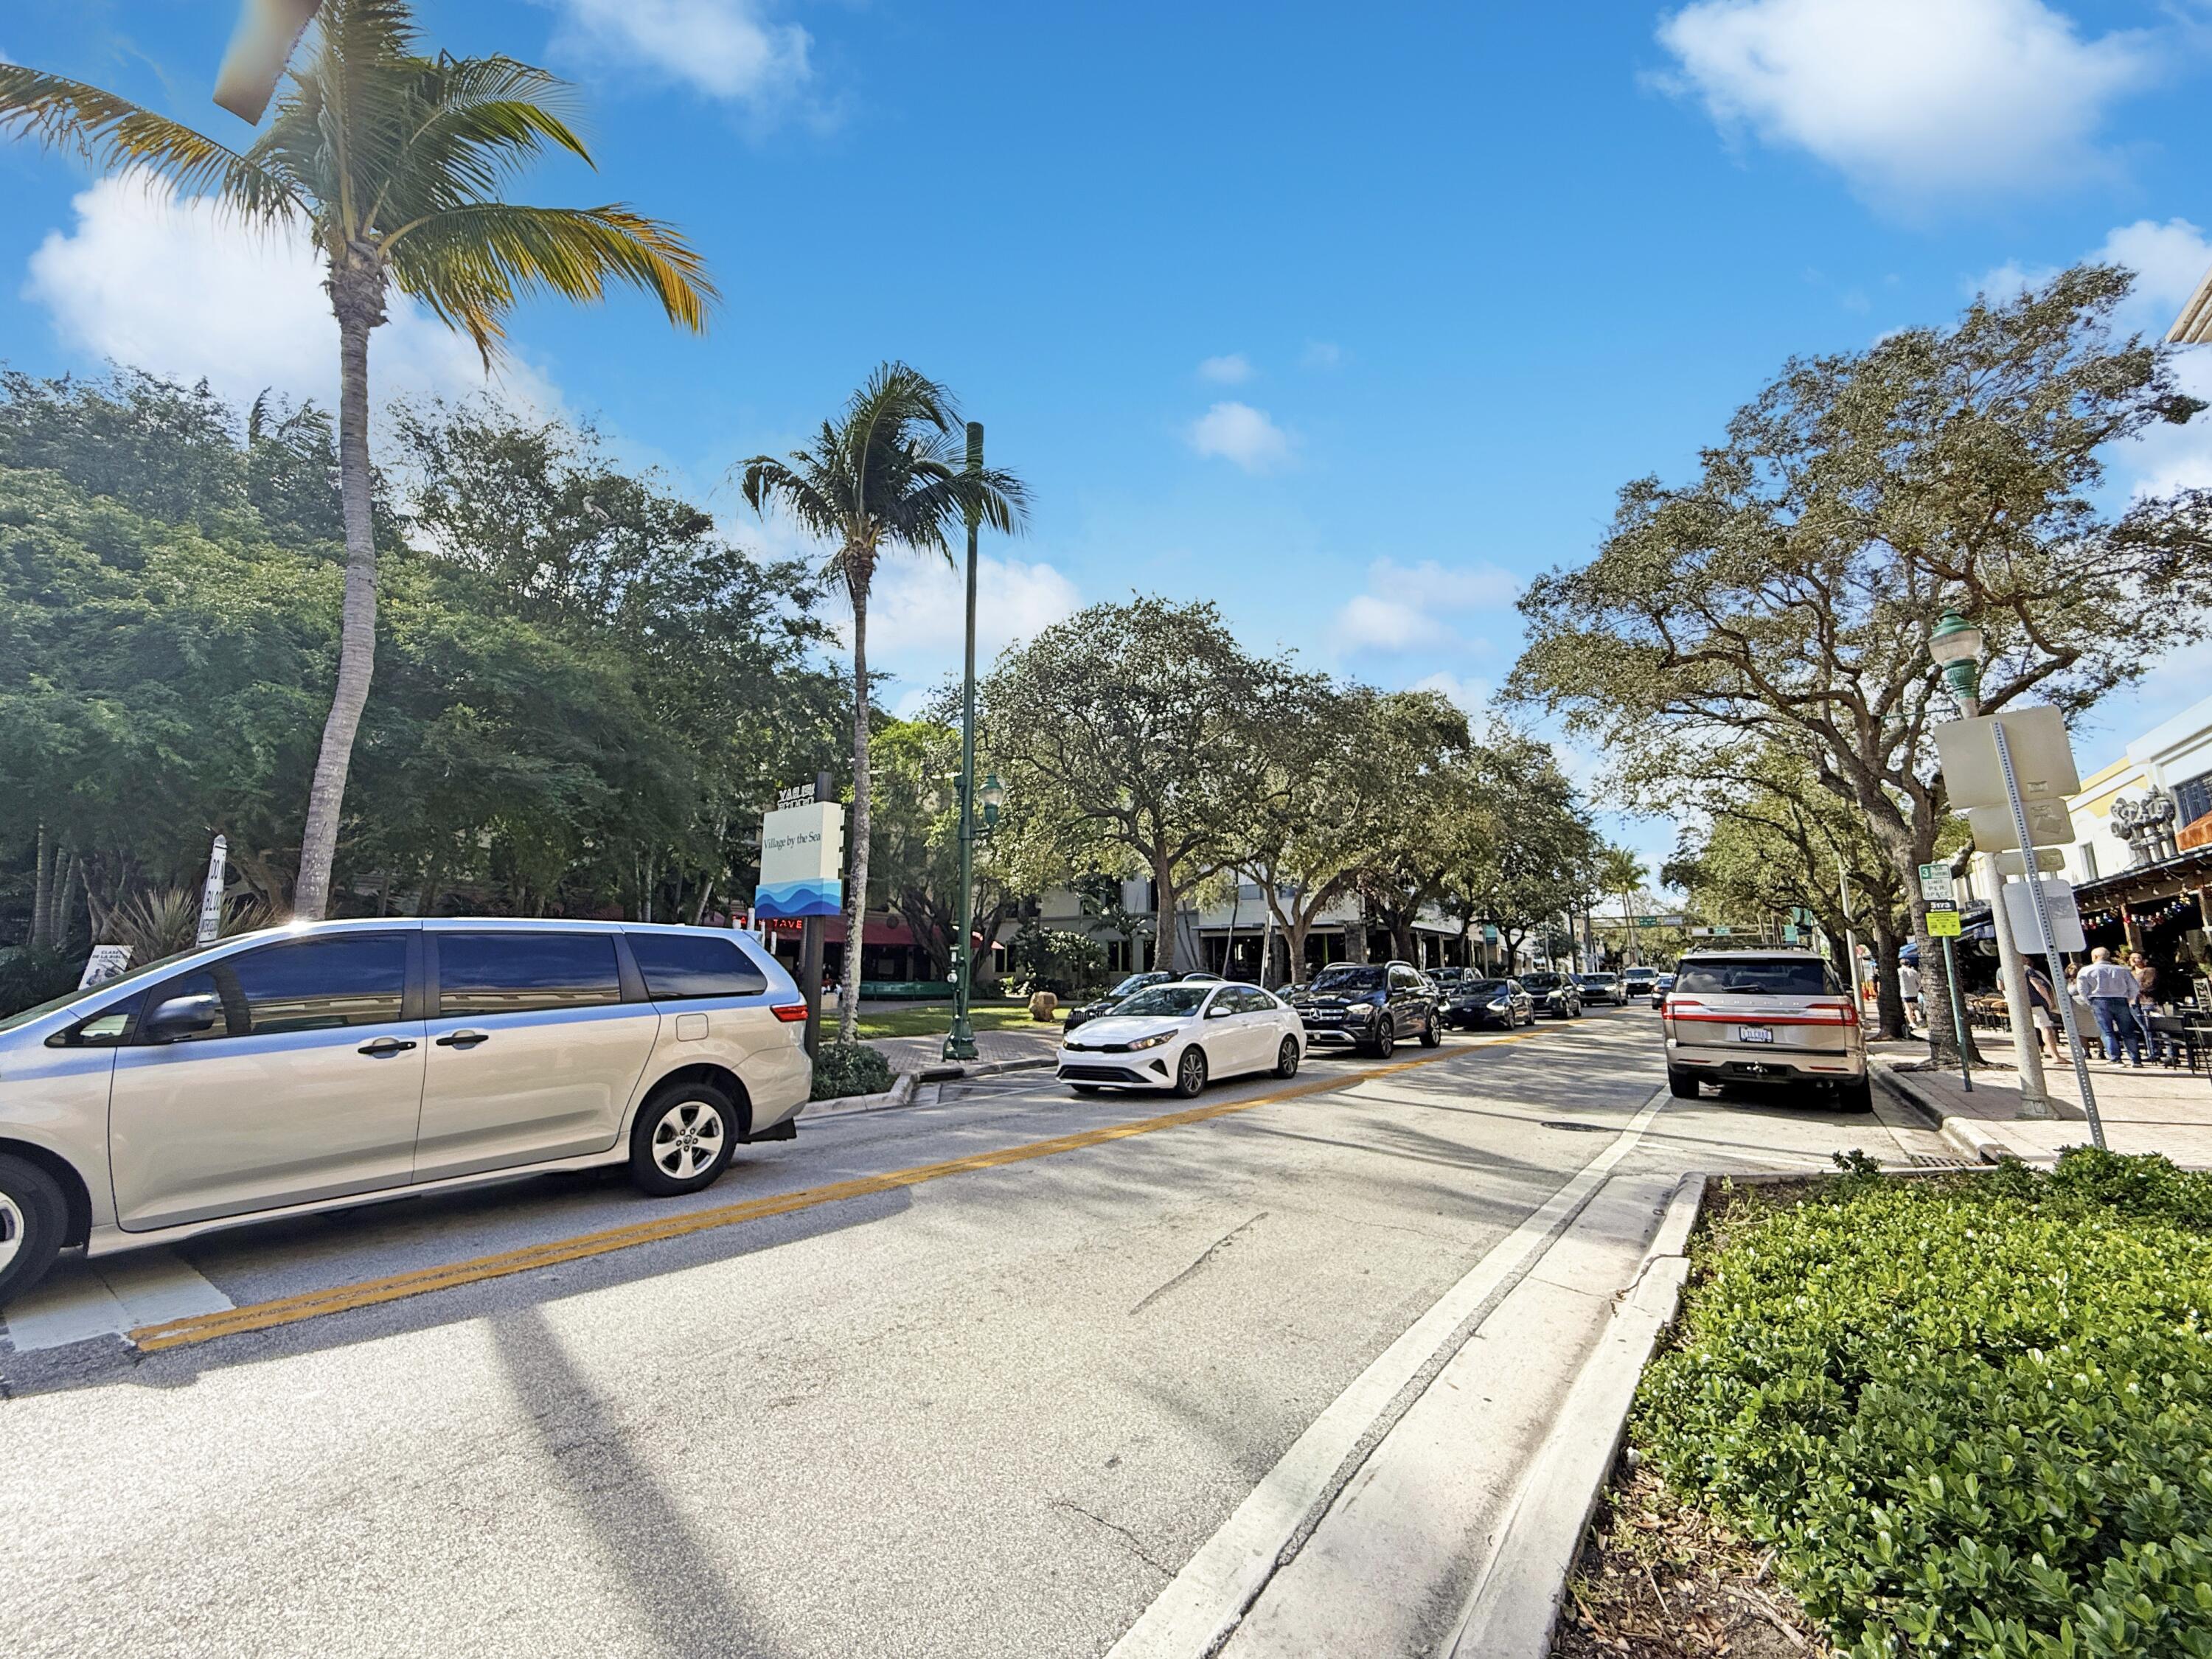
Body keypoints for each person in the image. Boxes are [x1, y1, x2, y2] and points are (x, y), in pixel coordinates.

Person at [2076, 947, 2146, 1066]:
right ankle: (2135, 1059)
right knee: (2128, 1031)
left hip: (2099, 1000)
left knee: (2107, 1031)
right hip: (2121, 1000)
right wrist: (2130, 998)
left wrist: (2089, 1002)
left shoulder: (2086, 970)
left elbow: (2082, 990)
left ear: (2095, 957)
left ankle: (2115, 1058)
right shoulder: (2122, 970)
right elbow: (2134, 987)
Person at [2130, 951, 2169, 1065]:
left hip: (2148, 1002)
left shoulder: (2150, 971)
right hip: (2134, 1003)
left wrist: (2132, 988)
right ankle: (2153, 1052)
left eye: (2137, 958)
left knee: (2159, 1028)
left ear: (2143, 960)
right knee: (2145, 1029)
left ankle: (2170, 1053)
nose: (2133, 960)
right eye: (2131, 958)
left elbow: (2149, 985)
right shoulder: (2131, 973)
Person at [2024, 963, 2064, 1063]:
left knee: (2027, 1030)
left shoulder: (2001, 971)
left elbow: (2001, 987)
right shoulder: (2027, 969)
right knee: (2046, 1028)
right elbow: (2038, 986)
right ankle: (2055, 1056)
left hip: (2019, 1006)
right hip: (2036, 1003)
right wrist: (2049, 1002)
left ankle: (2032, 1057)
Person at [1898, 960, 1922, 1027]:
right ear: (1909, 964)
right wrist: (1916, 989)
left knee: (1908, 1008)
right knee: (1915, 1007)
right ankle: (1919, 1018)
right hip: (1914, 992)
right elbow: (1919, 983)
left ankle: (1912, 1023)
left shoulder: (1899, 971)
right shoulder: (1914, 971)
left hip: (1904, 993)